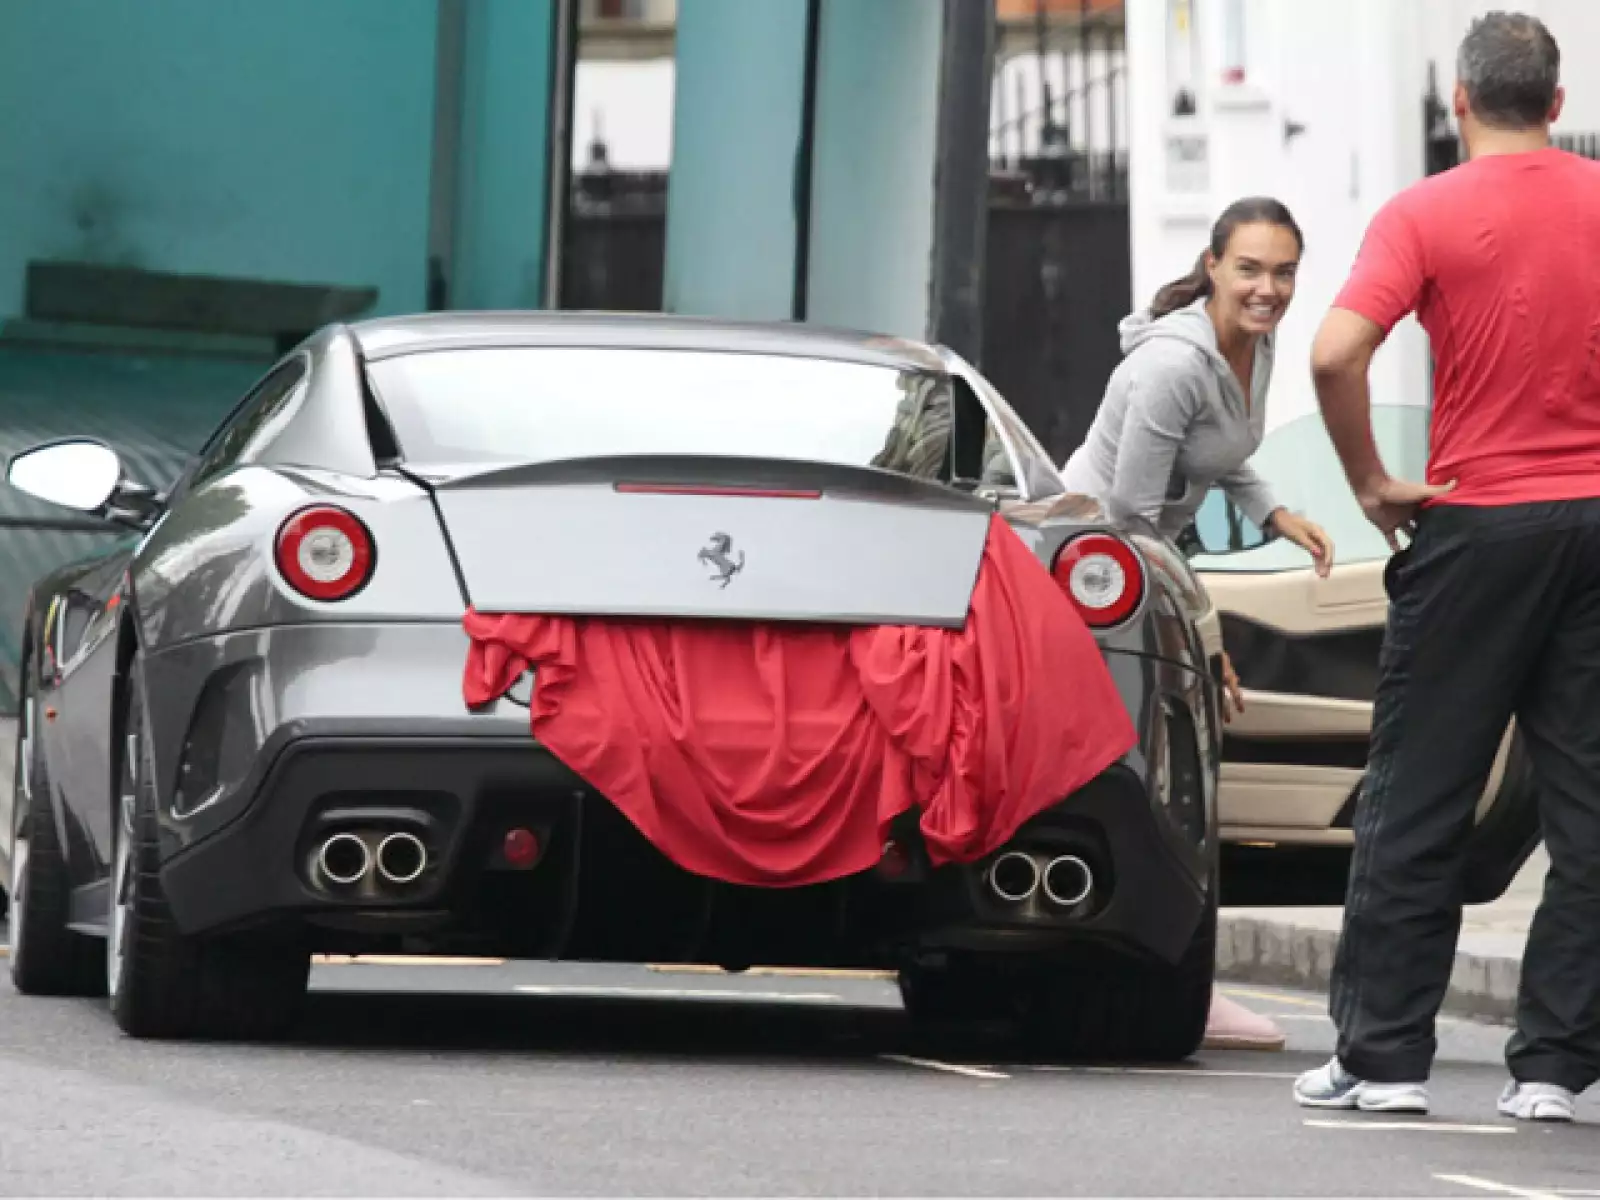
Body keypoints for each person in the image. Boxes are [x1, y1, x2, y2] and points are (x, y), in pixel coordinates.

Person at [1293, 11, 1600, 1123]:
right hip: (1595, 524)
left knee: (1416, 795)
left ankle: (1383, 1061)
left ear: (1458, 101)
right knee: (1590, 815)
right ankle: (1557, 1072)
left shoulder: (1422, 211)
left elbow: (1333, 349)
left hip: (1477, 524)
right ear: (1556, 106)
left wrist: (1371, 479)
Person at [1060, 196, 1335, 1049]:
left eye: (1283, 271)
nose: (1269, 288)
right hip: (1097, 587)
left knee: (1172, 782)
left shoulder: (1253, 340)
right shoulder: (1169, 370)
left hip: (1148, 571)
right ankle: (1162, 977)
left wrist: (1276, 512)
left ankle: (1166, 972)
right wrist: (1202, 644)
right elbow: (1133, 520)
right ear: (1212, 265)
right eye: (1249, 269)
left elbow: (1224, 449)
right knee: (1155, 784)